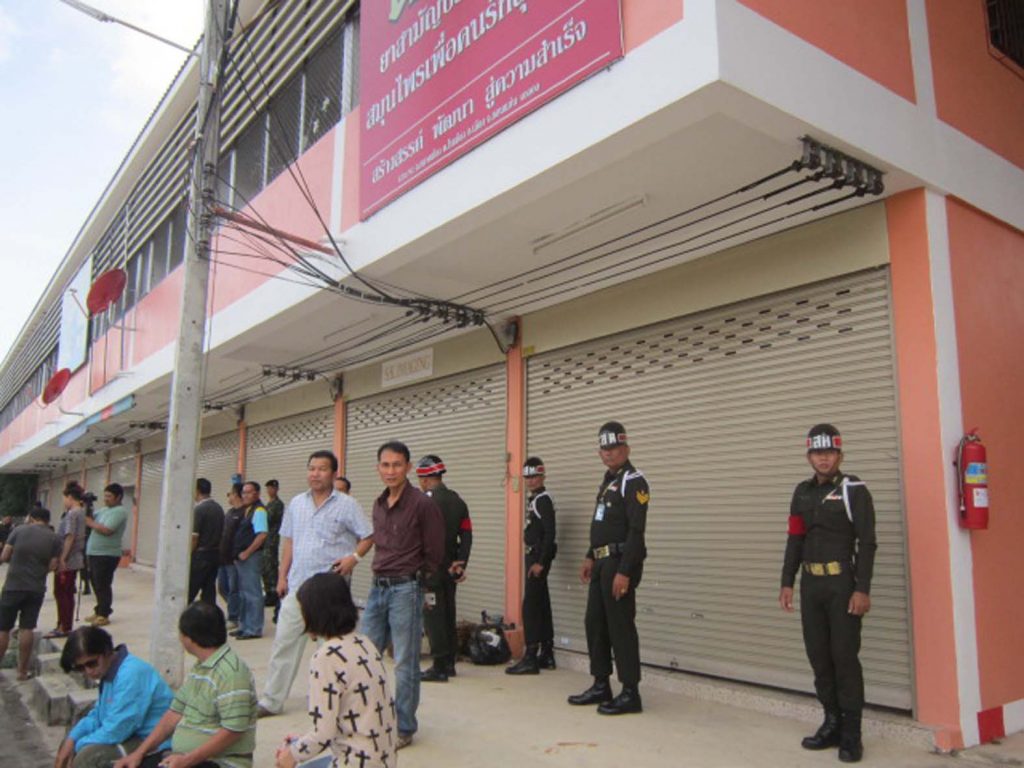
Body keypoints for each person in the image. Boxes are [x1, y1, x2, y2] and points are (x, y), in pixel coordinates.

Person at [779, 424, 877, 764]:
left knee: (845, 658)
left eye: (830, 452)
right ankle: (831, 722)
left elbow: (867, 543)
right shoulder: (801, 492)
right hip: (812, 586)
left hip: (842, 587)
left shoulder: (854, 489)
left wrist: (862, 588)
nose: (824, 458)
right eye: (817, 453)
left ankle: (852, 734)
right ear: (809, 456)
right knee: (819, 657)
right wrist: (787, 581)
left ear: (840, 455)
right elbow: (795, 538)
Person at [257, 450, 373, 718]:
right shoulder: (296, 503)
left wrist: (353, 558)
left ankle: (330, 704)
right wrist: (282, 576)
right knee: (284, 645)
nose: (315, 474)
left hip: (329, 592)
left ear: (333, 473)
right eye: (311, 468)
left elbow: (368, 536)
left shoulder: (346, 505)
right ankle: (271, 701)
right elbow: (290, 541)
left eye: (322, 469)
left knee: (330, 651)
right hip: (298, 587)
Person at [360, 440, 444, 749]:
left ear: (408, 468)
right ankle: (367, 718)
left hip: (405, 589)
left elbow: (435, 549)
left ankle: (404, 727)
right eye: (385, 465)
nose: (391, 470)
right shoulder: (378, 503)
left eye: (397, 465)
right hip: (377, 587)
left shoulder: (422, 503)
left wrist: (419, 580)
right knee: (365, 656)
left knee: (405, 662)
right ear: (378, 468)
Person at [273, 572, 397, 768]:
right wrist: (301, 742)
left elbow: (322, 734)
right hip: (382, 760)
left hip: (353, 762)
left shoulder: (326, 657)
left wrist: (291, 754)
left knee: (286, 761)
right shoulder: (365, 643)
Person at [112, 602, 257, 768]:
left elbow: (233, 731)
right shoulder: (200, 667)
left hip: (221, 762)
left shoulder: (232, 673)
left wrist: (187, 760)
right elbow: (174, 712)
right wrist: (139, 754)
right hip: (185, 758)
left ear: (189, 637)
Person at [568, 421, 649, 715]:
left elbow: (636, 532)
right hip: (602, 562)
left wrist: (625, 571)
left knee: (621, 627)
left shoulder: (633, 480)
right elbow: (601, 524)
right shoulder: (608, 481)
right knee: (595, 624)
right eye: (604, 448)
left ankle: (630, 692)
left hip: (619, 563)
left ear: (626, 448)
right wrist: (590, 555)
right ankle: (601, 683)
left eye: (614, 447)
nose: (609, 453)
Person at [54, 626, 173, 768]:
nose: (88, 671)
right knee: (69, 742)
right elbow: (98, 715)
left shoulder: (131, 674)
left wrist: (78, 744)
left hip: (153, 741)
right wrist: (72, 739)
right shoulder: (109, 673)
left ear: (106, 652)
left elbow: (118, 729)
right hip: (131, 735)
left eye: (91, 663)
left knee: (88, 757)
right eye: (81, 668)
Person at [416, 454, 472, 683]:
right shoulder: (457, 500)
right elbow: (467, 534)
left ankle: (439, 665)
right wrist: (461, 562)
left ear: (425, 478)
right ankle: (449, 662)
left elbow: (419, 537)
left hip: (431, 569)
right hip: (450, 567)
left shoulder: (425, 502)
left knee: (433, 615)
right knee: (449, 613)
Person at [506, 456, 558, 675]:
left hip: (537, 558)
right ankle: (546, 653)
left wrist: (540, 563)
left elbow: (550, 533)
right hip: (534, 557)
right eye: (527, 476)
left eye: (535, 476)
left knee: (530, 607)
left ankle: (531, 657)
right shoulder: (535, 499)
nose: (531, 480)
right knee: (541, 604)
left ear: (543, 476)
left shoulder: (542, 499)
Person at [0, 506, 60, 680]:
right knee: (27, 628)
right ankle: (22, 671)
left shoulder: (18, 531)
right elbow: (53, 565)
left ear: (32, 518)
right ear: (47, 520)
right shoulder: (55, 538)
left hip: (13, 586)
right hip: (36, 588)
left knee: (3, 628)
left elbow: (4, 556)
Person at [82, 484, 128, 627]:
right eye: (105, 496)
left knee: (103, 584)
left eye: (109, 496)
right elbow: (88, 519)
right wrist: (86, 507)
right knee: (95, 582)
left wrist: (91, 523)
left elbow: (108, 530)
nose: (106, 499)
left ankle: (104, 614)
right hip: (95, 552)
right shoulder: (104, 510)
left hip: (107, 554)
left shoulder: (119, 511)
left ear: (118, 497)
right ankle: (99, 610)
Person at [47, 482, 87, 639]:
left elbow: (69, 536)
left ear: (70, 497)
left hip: (68, 560)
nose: (64, 501)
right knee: (67, 593)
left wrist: (62, 558)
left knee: (62, 592)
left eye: (64, 498)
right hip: (75, 558)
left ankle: (64, 625)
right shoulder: (81, 512)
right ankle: (64, 624)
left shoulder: (72, 514)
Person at [232, 481, 267, 640]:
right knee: (244, 593)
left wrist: (247, 552)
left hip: (251, 557)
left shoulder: (259, 510)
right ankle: (244, 626)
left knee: (253, 593)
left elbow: (262, 535)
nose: (245, 495)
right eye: (243, 493)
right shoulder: (247, 510)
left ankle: (254, 628)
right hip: (241, 558)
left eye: (249, 492)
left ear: (257, 494)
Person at [188, 479, 224, 605]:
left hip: (200, 556)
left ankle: (182, 619)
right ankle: (209, 619)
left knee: (190, 589)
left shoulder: (199, 510)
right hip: (214, 555)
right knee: (209, 591)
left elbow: (194, 537)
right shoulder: (219, 508)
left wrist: (189, 555)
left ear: (197, 490)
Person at [217, 484, 244, 629]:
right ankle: (238, 610)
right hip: (223, 558)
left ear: (237, 495)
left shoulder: (243, 513)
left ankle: (234, 617)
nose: (229, 496)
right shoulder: (229, 513)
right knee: (222, 588)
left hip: (234, 559)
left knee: (234, 589)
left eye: (230, 493)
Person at [262, 480, 284, 611]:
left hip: (271, 540)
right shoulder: (269, 503)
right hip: (266, 539)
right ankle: (268, 592)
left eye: (272, 488)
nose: (270, 491)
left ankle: (273, 593)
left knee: (271, 566)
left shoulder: (277, 504)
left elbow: (268, 519)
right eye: (269, 488)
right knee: (265, 567)